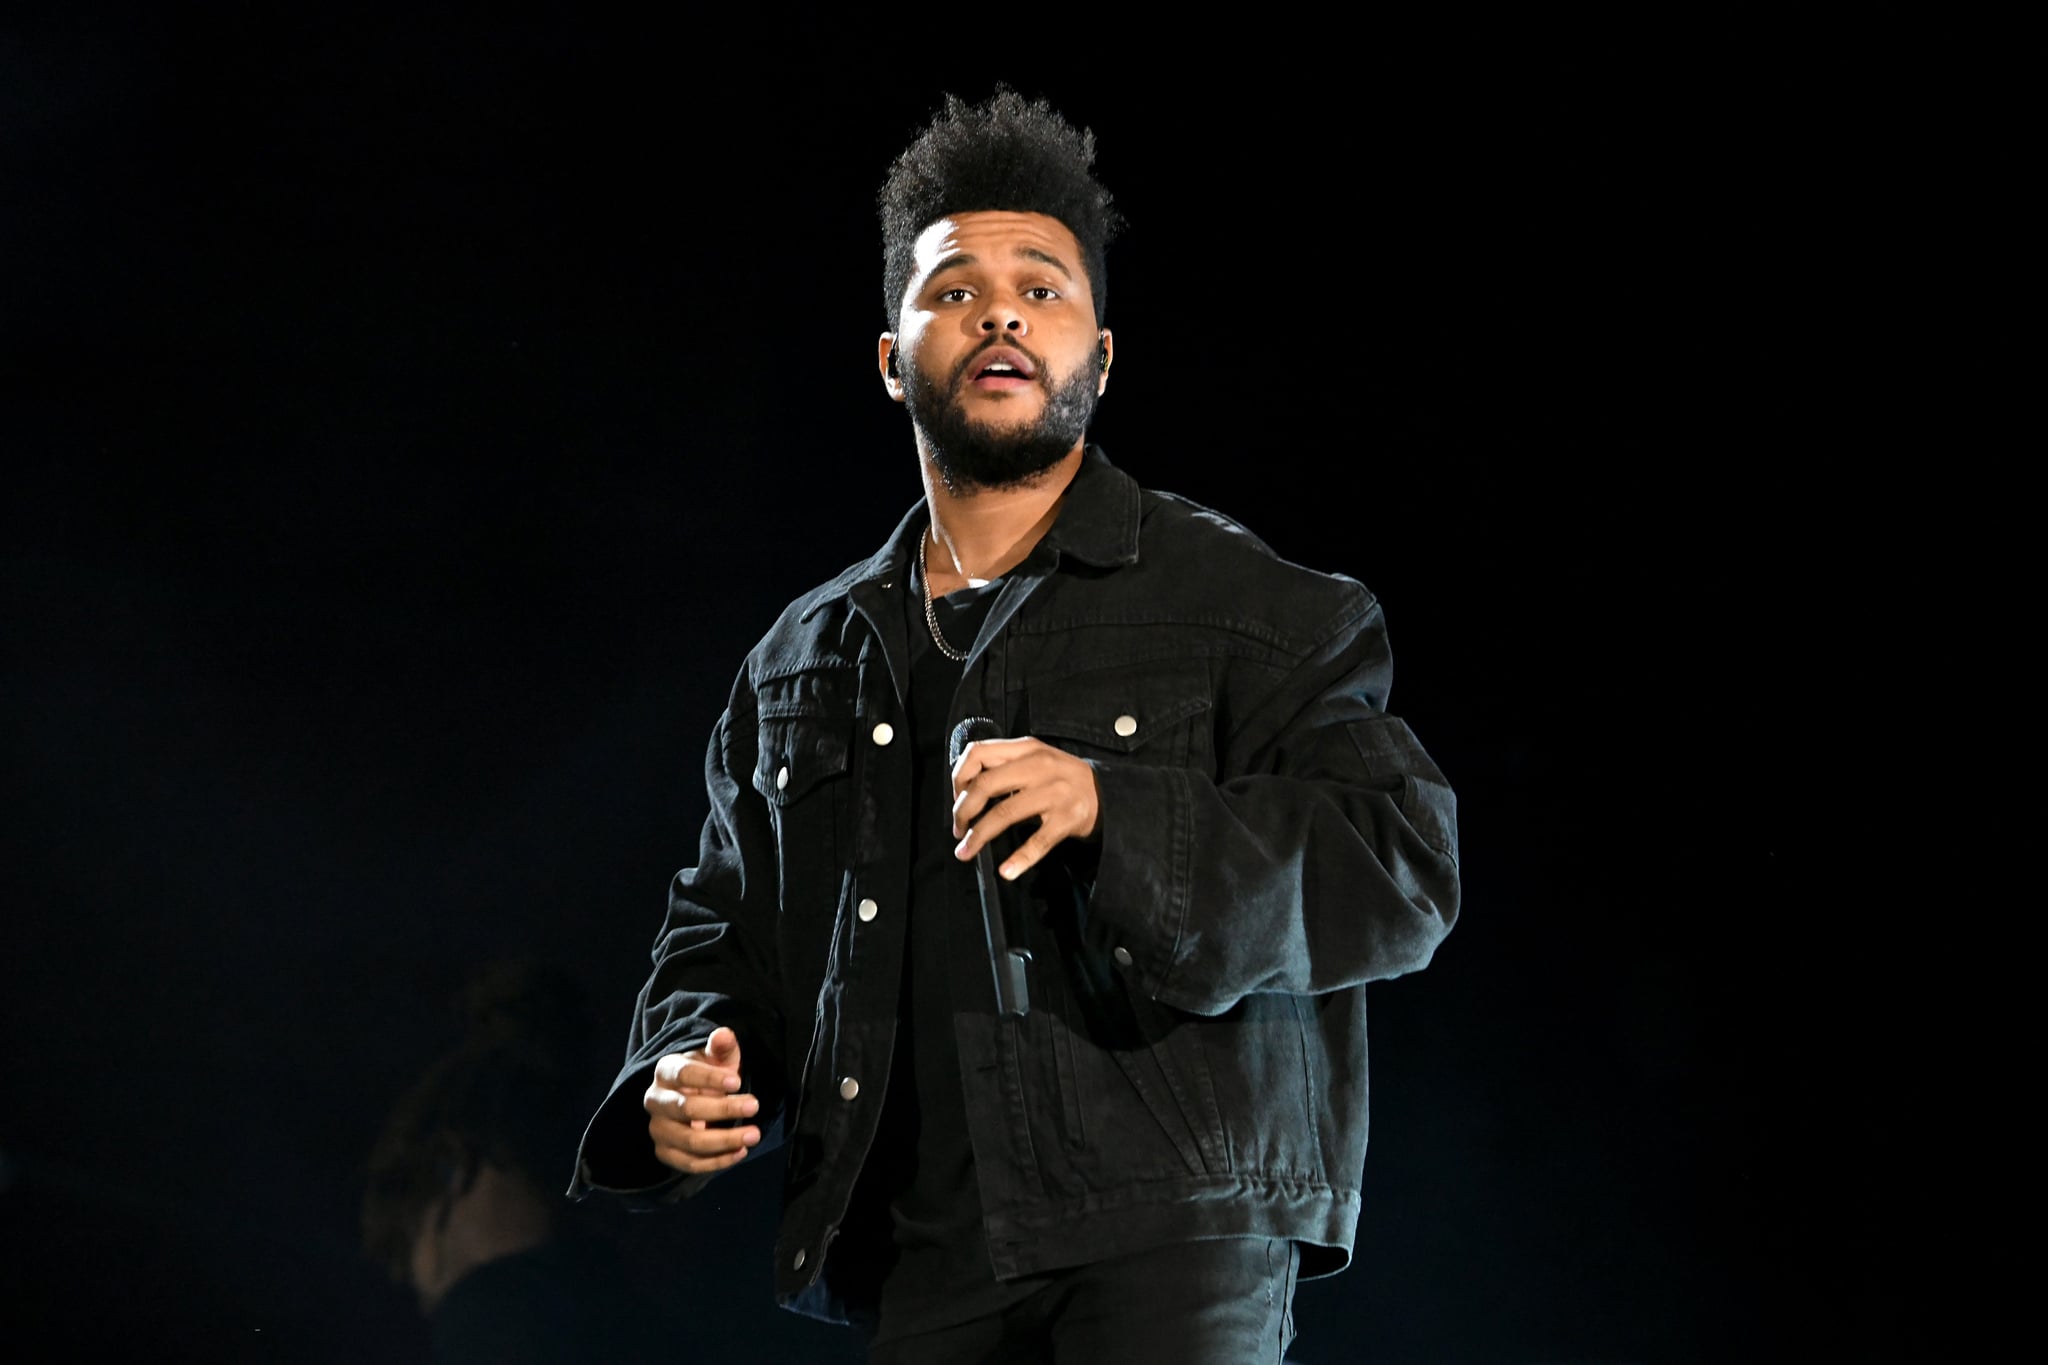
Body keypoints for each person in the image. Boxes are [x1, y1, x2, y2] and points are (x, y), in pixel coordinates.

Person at [568, 88, 1460, 1363]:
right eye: (951, 289)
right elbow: (723, 931)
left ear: (1100, 356)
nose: (997, 311)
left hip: (1171, 1239)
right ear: (890, 359)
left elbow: (1404, 866)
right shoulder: (799, 662)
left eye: (1041, 289)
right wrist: (672, 1077)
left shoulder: (1250, 609)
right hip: (918, 1262)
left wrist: (1117, 807)